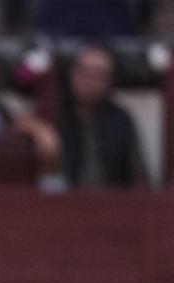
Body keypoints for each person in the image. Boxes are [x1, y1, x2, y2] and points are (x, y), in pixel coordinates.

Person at [58, 44, 145, 189]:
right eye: (84, 72)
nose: (89, 81)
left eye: (98, 75)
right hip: (61, 204)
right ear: (71, 74)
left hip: (113, 205)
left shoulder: (121, 120)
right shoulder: (55, 114)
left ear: (110, 80)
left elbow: (138, 172)